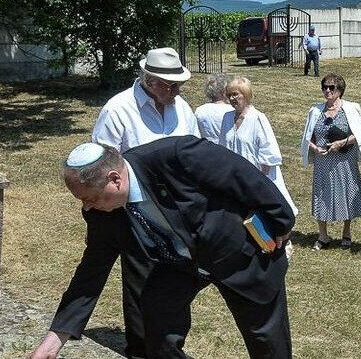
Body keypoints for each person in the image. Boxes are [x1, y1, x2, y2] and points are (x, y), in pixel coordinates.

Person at [30, 138, 294, 359]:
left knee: (266, 338)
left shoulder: (177, 155)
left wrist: (281, 220)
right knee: (156, 315)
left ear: (115, 179)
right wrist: (53, 342)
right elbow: (90, 273)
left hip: (235, 251)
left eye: (91, 198)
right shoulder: (102, 213)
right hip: (179, 263)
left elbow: (243, 176)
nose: (87, 207)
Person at [89, 46, 200, 357]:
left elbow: (194, 151)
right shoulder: (118, 109)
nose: (177, 91)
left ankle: (171, 346)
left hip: (175, 210)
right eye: (171, 85)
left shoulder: (182, 108)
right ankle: (141, 349)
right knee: (142, 281)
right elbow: (103, 164)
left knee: (178, 279)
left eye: (179, 85)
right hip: (134, 210)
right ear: (149, 81)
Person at [301, 73, 361, 250]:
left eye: (331, 87)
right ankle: (323, 235)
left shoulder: (351, 109)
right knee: (321, 194)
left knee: (346, 192)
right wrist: (315, 148)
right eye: (324, 87)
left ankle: (346, 232)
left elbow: (360, 134)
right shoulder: (315, 111)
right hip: (323, 161)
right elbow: (307, 137)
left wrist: (342, 143)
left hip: (344, 159)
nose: (327, 90)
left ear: (340, 90)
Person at [220, 76, 298, 216]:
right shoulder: (227, 118)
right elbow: (223, 149)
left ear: (246, 94)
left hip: (257, 178)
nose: (232, 98)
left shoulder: (257, 118)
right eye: (229, 95)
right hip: (235, 179)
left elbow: (269, 151)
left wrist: (259, 181)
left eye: (235, 94)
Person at [194, 73, 233, 144]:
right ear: (223, 91)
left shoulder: (200, 110)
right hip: (226, 148)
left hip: (206, 147)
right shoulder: (231, 110)